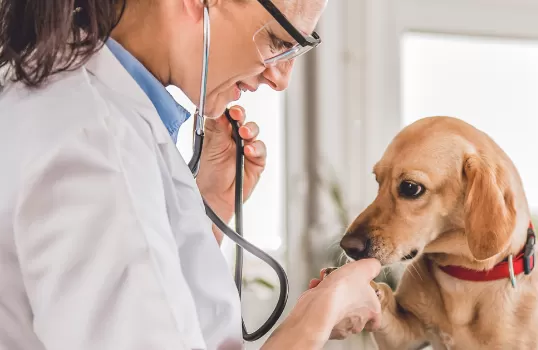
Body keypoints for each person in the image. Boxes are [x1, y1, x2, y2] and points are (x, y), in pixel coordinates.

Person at [0, 0, 381, 349]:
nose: (281, 78)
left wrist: (208, 207)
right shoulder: (94, 147)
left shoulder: (86, 106)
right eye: (277, 38)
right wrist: (317, 315)